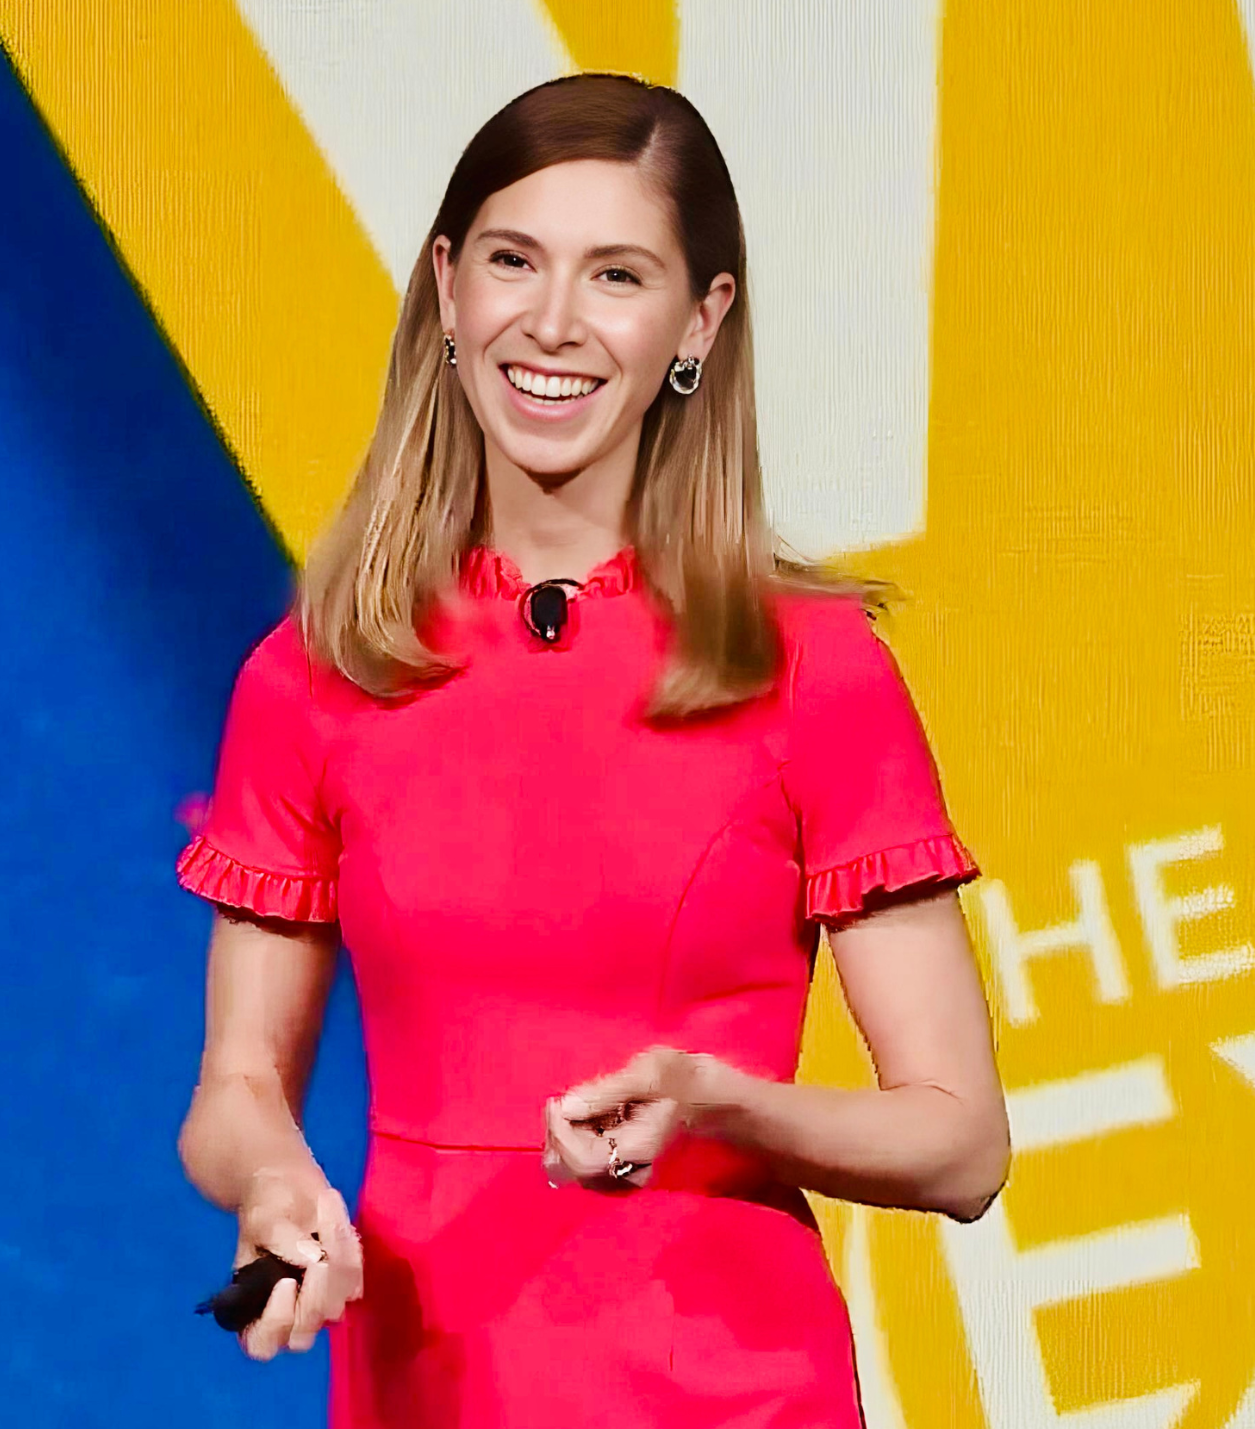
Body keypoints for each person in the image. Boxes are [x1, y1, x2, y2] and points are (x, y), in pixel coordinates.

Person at [174, 72, 1010, 1429]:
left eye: (616, 274)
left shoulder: (812, 669)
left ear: (700, 322)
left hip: (731, 1387)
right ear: (449, 289)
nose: (551, 322)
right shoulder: (320, 671)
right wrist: (273, 1184)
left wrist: (718, 1104)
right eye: (514, 261)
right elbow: (233, 1089)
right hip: (428, 1385)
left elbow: (962, 1144)